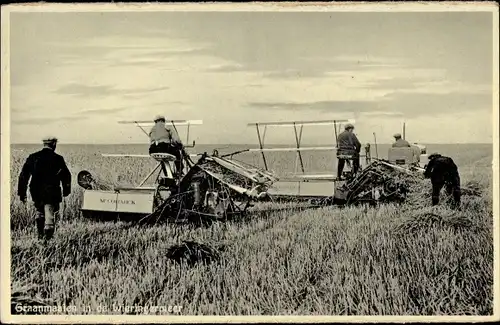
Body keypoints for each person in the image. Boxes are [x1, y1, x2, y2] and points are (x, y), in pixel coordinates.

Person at [17, 136, 71, 240]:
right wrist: (66, 191)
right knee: (49, 214)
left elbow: (23, 176)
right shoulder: (58, 158)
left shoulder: (33, 157)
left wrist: (22, 193)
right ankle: (47, 241)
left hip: (36, 191)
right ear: (54, 144)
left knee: (39, 211)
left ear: (44, 144)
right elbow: (66, 176)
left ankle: (40, 236)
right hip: (51, 191)